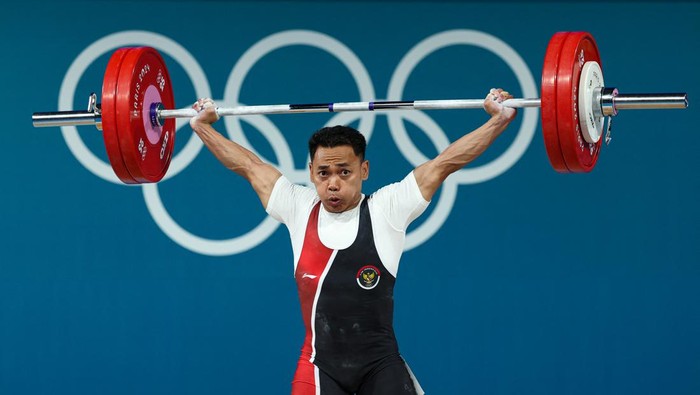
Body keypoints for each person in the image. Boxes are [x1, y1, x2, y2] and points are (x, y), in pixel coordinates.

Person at [189, 88, 517, 395]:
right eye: (323, 173)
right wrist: (203, 128)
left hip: (380, 367)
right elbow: (248, 165)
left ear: (364, 170)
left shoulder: (388, 208)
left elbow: (446, 162)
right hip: (320, 366)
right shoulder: (298, 207)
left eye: (344, 172)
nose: (333, 184)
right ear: (311, 172)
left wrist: (498, 119)